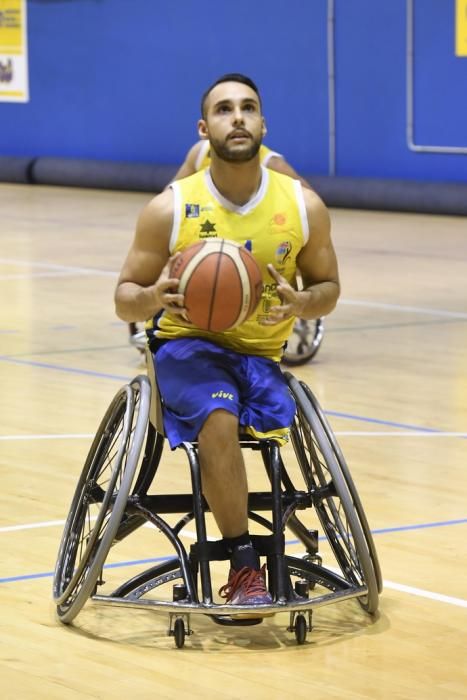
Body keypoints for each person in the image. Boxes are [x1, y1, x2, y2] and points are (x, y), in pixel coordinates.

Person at [114, 73, 340, 611]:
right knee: (218, 414)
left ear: (264, 123)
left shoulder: (303, 205)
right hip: (187, 347)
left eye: (248, 108)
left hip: (262, 352)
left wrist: (305, 303)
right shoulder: (169, 209)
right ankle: (243, 563)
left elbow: (329, 288)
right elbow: (124, 299)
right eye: (223, 109)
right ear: (203, 128)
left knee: (263, 411)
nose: (236, 117)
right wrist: (154, 297)